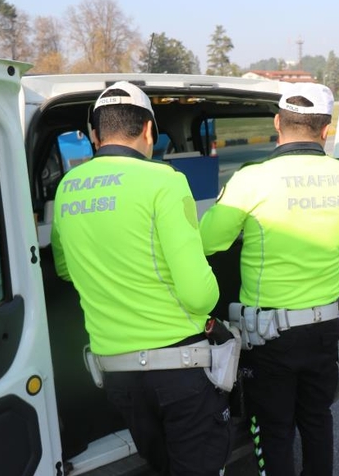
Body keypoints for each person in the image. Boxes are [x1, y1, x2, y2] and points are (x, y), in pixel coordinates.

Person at [50, 81, 231, 476]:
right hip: (179, 369)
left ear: (94, 135)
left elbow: (65, 269)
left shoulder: (66, 189)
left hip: (117, 375)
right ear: (149, 130)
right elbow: (199, 296)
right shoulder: (164, 181)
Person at [199, 82, 339, 476]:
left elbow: (209, 241)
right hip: (325, 327)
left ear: (278, 122)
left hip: (269, 336)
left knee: (273, 428)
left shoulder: (252, 179)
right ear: (325, 129)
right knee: (317, 418)